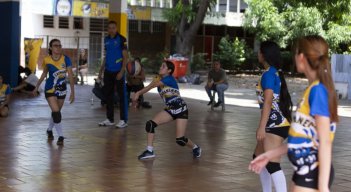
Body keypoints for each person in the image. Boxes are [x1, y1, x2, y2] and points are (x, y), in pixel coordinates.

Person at [249, 35, 338, 192]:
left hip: (312, 171)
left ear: (302, 57)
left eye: (295, 53)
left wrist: (323, 187)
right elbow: (303, 139)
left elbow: (324, 142)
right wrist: (269, 155)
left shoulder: (318, 91)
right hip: (304, 169)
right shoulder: (311, 90)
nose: (294, 58)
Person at [133, 60, 201, 160]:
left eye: (163, 66)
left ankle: (196, 148)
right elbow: (149, 87)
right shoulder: (158, 78)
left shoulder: (169, 79)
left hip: (181, 109)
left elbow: (151, 85)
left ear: (169, 71)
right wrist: (138, 94)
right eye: (161, 65)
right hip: (170, 109)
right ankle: (149, 151)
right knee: (150, 124)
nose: (160, 67)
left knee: (180, 140)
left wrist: (138, 93)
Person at [253, 41, 293, 192]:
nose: (258, 54)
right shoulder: (274, 72)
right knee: (259, 157)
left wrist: (262, 127)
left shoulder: (269, 74)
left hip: (274, 125)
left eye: (259, 52)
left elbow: (268, 101)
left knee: (272, 164)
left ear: (264, 55)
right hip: (278, 123)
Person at [33, 39, 75, 145]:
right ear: (51, 48)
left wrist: (73, 92)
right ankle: (61, 136)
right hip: (50, 89)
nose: (58, 47)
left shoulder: (66, 59)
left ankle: (49, 130)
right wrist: (36, 86)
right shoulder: (47, 60)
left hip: (62, 90)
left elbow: (70, 75)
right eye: (56, 45)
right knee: (56, 112)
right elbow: (43, 74)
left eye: (60, 45)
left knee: (56, 113)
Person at [98, 21, 129, 128]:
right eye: (109, 28)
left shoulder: (121, 39)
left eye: (113, 28)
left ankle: (123, 120)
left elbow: (125, 57)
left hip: (118, 71)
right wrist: (101, 71)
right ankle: (110, 119)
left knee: (121, 96)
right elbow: (106, 56)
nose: (111, 29)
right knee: (108, 96)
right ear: (107, 29)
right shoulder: (106, 40)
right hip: (108, 71)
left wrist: (122, 71)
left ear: (116, 28)